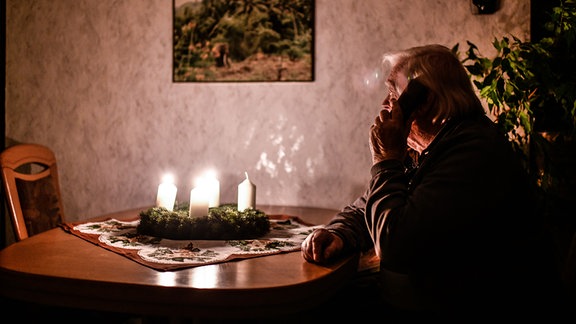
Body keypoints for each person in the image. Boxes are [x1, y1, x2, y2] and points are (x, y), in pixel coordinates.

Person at [301, 44, 569, 322]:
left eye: (394, 93)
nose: (385, 105)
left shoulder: (473, 152)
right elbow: (370, 204)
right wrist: (339, 232)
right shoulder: (427, 149)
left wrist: (385, 158)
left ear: (423, 100)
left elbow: (395, 245)